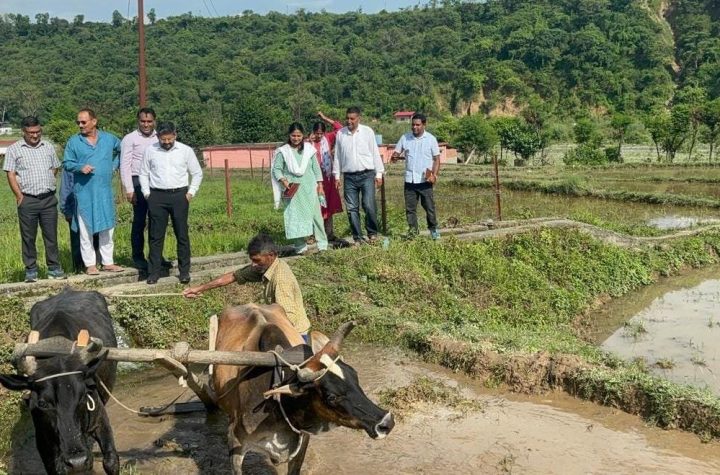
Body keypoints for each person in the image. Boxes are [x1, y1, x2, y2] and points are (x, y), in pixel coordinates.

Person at [183, 234, 311, 338]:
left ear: (271, 255)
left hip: (294, 334)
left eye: (257, 260)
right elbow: (233, 276)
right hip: (278, 326)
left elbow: (287, 319)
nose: (253, 264)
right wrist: (198, 289)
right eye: (252, 260)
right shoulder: (265, 267)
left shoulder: (281, 279)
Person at [139, 121, 203, 285]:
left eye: (169, 139)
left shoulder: (185, 150)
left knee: (182, 234)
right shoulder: (150, 150)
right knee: (155, 236)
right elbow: (143, 173)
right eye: (163, 139)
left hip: (179, 195)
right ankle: (154, 272)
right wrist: (147, 193)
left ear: (175, 135)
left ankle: (184, 272)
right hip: (157, 196)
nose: (167, 142)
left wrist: (191, 192)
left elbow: (197, 173)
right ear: (158, 136)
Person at [3, 116, 65, 282]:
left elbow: (54, 168)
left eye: (38, 131)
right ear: (24, 131)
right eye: (31, 132)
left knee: (51, 236)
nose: (35, 135)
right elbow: (10, 174)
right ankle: (31, 270)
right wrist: (19, 196)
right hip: (28, 200)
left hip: (48, 199)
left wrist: (47, 182)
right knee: (28, 237)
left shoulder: (48, 147)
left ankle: (54, 268)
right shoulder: (15, 149)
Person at [63, 108, 123, 275]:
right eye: (78, 122)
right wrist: (80, 167)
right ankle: (90, 264)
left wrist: (114, 165)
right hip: (84, 193)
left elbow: (122, 149)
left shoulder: (109, 138)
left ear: (94, 121)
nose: (80, 125)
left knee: (107, 228)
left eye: (83, 122)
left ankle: (108, 262)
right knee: (85, 230)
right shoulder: (74, 142)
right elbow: (66, 162)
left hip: (105, 192)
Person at [120, 107, 172, 273]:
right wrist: (129, 189)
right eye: (143, 121)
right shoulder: (130, 139)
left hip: (156, 182)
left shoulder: (160, 137)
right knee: (139, 221)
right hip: (137, 182)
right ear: (138, 121)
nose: (146, 124)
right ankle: (138, 257)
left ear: (154, 121)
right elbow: (125, 165)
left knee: (157, 221)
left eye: (149, 121)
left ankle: (156, 256)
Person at [272, 122, 328, 254]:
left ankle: (322, 245)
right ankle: (300, 247)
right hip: (293, 190)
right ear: (289, 135)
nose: (296, 138)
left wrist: (320, 185)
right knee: (295, 217)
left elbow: (316, 169)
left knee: (316, 217)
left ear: (303, 136)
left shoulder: (309, 150)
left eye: (298, 136)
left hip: (310, 189)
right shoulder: (283, 151)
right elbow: (277, 169)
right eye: (293, 135)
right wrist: (283, 180)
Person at [333, 106, 385, 245]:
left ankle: (372, 234)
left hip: (367, 175)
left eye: (352, 118)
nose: (349, 121)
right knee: (351, 208)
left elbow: (374, 152)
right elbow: (337, 156)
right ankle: (357, 238)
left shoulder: (367, 132)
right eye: (347, 118)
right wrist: (336, 176)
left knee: (368, 205)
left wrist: (379, 174)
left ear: (358, 118)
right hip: (349, 177)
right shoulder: (341, 134)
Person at [391, 113, 441, 240]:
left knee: (429, 208)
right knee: (410, 209)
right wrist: (395, 156)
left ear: (424, 125)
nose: (414, 127)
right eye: (413, 125)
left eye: (418, 125)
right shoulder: (405, 138)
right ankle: (413, 232)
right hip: (410, 180)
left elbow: (436, 159)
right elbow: (396, 153)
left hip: (425, 180)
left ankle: (433, 230)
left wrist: (434, 175)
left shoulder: (431, 139)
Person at [309, 111, 344, 242]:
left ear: (324, 133)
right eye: (317, 133)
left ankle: (329, 233)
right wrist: (308, 140)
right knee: (314, 206)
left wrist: (325, 118)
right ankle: (313, 235)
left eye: (321, 133)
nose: (319, 136)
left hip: (327, 178)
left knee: (327, 205)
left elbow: (339, 128)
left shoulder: (328, 138)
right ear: (313, 132)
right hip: (313, 179)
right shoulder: (307, 142)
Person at [59, 168, 100, 272]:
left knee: (96, 238)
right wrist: (66, 210)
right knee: (77, 240)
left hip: (94, 206)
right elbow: (65, 188)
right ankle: (79, 269)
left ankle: (96, 265)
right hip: (75, 207)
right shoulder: (70, 166)